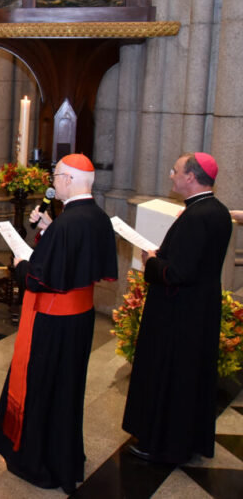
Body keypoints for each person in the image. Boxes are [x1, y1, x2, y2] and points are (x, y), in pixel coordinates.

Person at [0, 154, 117, 494]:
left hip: (53, 321)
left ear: (70, 180)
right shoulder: (98, 217)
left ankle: (40, 464)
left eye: (57, 175)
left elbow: (41, 279)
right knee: (68, 391)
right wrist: (47, 229)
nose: (53, 181)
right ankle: (67, 457)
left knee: (43, 390)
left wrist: (21, 264)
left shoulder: (67, 224)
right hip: (81, 319)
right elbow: (78, 262)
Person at [122, 152, 233, 465]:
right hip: (201, 309)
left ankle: (159, 444)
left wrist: (153, 262)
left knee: (170, 377)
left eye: (176, 171)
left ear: (191, 177)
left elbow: (178, 274)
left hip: (178, 313)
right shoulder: (217, 211)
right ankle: (188, 441)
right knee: (191, 377)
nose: (171, 175)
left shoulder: (197, 215)